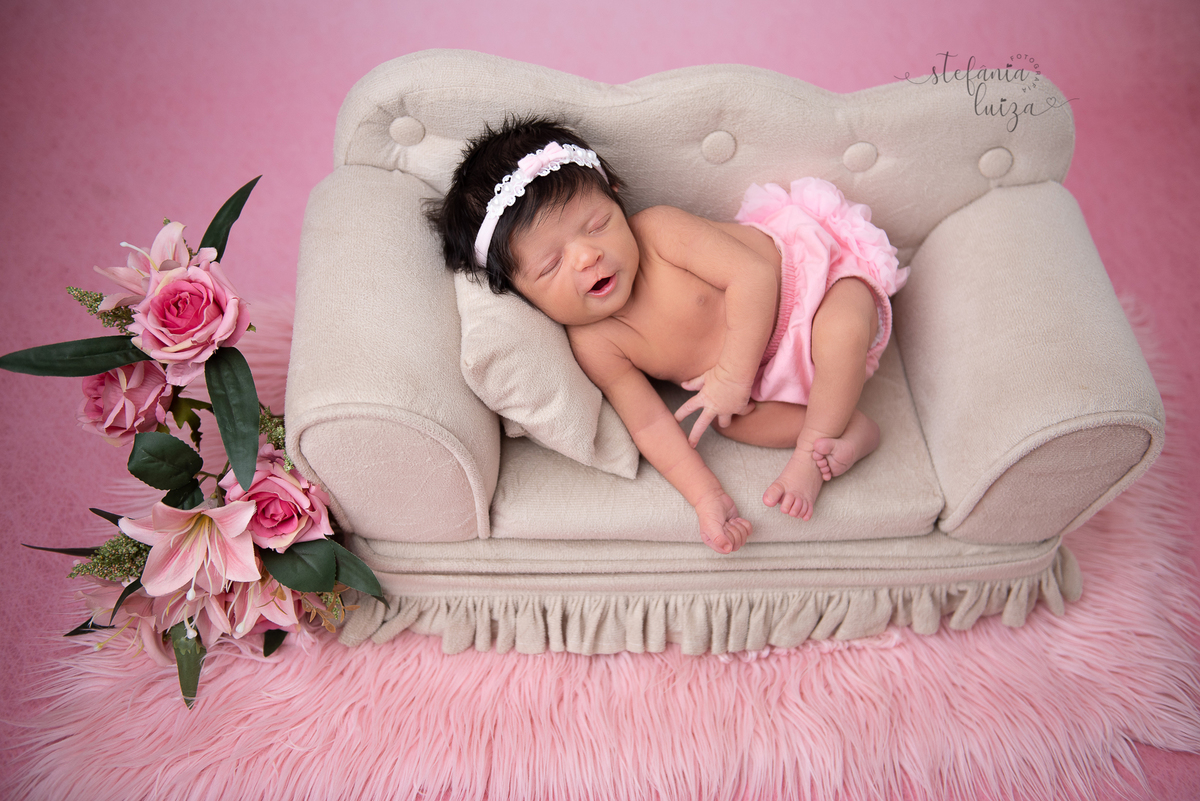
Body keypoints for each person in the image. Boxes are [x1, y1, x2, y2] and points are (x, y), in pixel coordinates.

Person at [427, 118, 907, 554]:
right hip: (763, 374)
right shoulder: (595, 343)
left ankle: (812, 450)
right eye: (551, 264)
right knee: (729, 422)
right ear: (521, 294)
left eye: (598, 225)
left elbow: (755, 277)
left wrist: (732, 378)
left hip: (815, 291)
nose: (587, 257)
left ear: (616, 196)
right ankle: (849, 430)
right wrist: (705, 497)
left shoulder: (659, 233)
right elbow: (651, 426)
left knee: (841, 330)